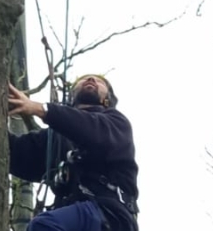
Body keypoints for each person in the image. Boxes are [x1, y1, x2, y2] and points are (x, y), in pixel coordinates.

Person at [7, 74, 139, 231]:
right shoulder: (54, 139)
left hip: (109, 216)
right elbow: (14, 154)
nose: (90, 80)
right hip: (73, 219)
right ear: (71, 96)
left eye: (99, 81)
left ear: (107, 99)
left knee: (43, 225)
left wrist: (42, 109)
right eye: (83, 80)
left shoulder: (116, 124)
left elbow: (91, 131)